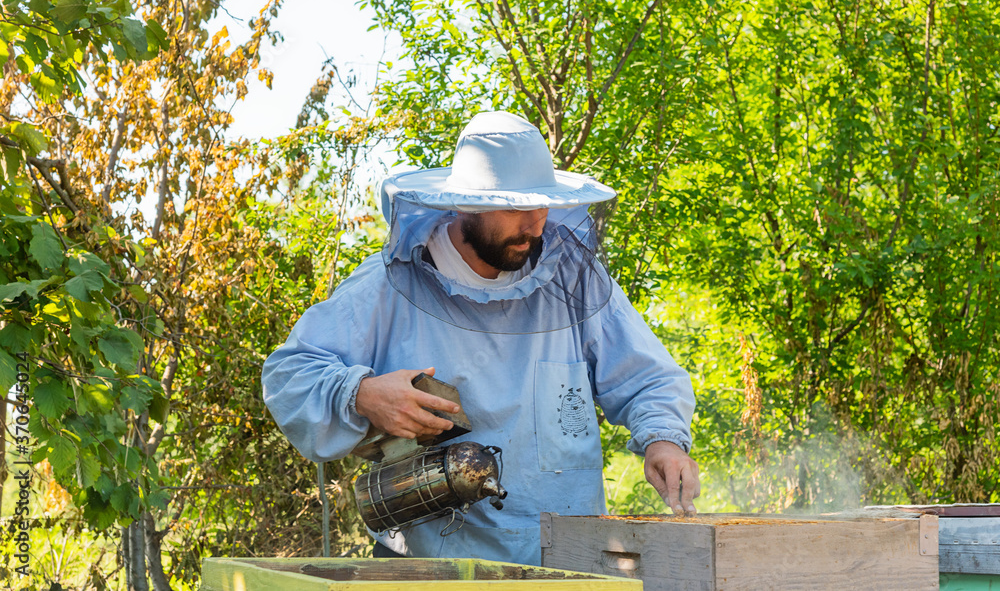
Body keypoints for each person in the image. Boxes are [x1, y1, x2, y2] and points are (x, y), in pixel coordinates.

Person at [262, 110, 698, 564]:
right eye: (515, 207)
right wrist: (362, 393)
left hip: (569, 562)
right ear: (465, 204)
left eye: (542, 204)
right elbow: (289, 374)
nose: (535, 224)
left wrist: (662, 440)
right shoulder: (388, 286)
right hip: (430, 566)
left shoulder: (573, 279)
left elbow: (647, 376)